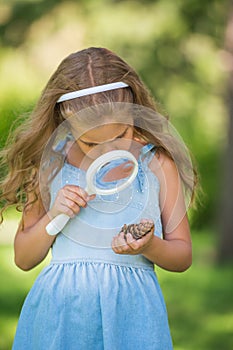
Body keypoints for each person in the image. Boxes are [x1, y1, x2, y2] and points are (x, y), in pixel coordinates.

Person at [0, 47, 197, 349]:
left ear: (135, 114)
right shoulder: (51, 165)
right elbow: (24, 258)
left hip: (132, 318)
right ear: (64, 124)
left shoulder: (157, 165)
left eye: (120, 135)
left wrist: (149, 245)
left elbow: (182, 256)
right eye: (91, 141)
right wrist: (55, 215)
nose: (107, 152)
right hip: (62, 316)